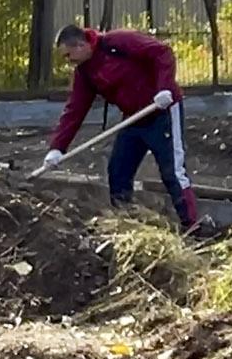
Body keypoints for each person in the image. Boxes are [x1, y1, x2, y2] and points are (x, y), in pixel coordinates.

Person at [44, 24, 198, 229]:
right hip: (133, 119)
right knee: (118, 171)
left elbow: (162, 52)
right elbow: (75, 109)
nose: (68, 61)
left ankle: (193, 227)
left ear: (80, 45)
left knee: (173, 172)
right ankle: (128, 224)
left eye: (68, 55)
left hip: (163, 111)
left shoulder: (118, 42)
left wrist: (164, 88)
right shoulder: (85, 73)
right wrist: (57, 147)